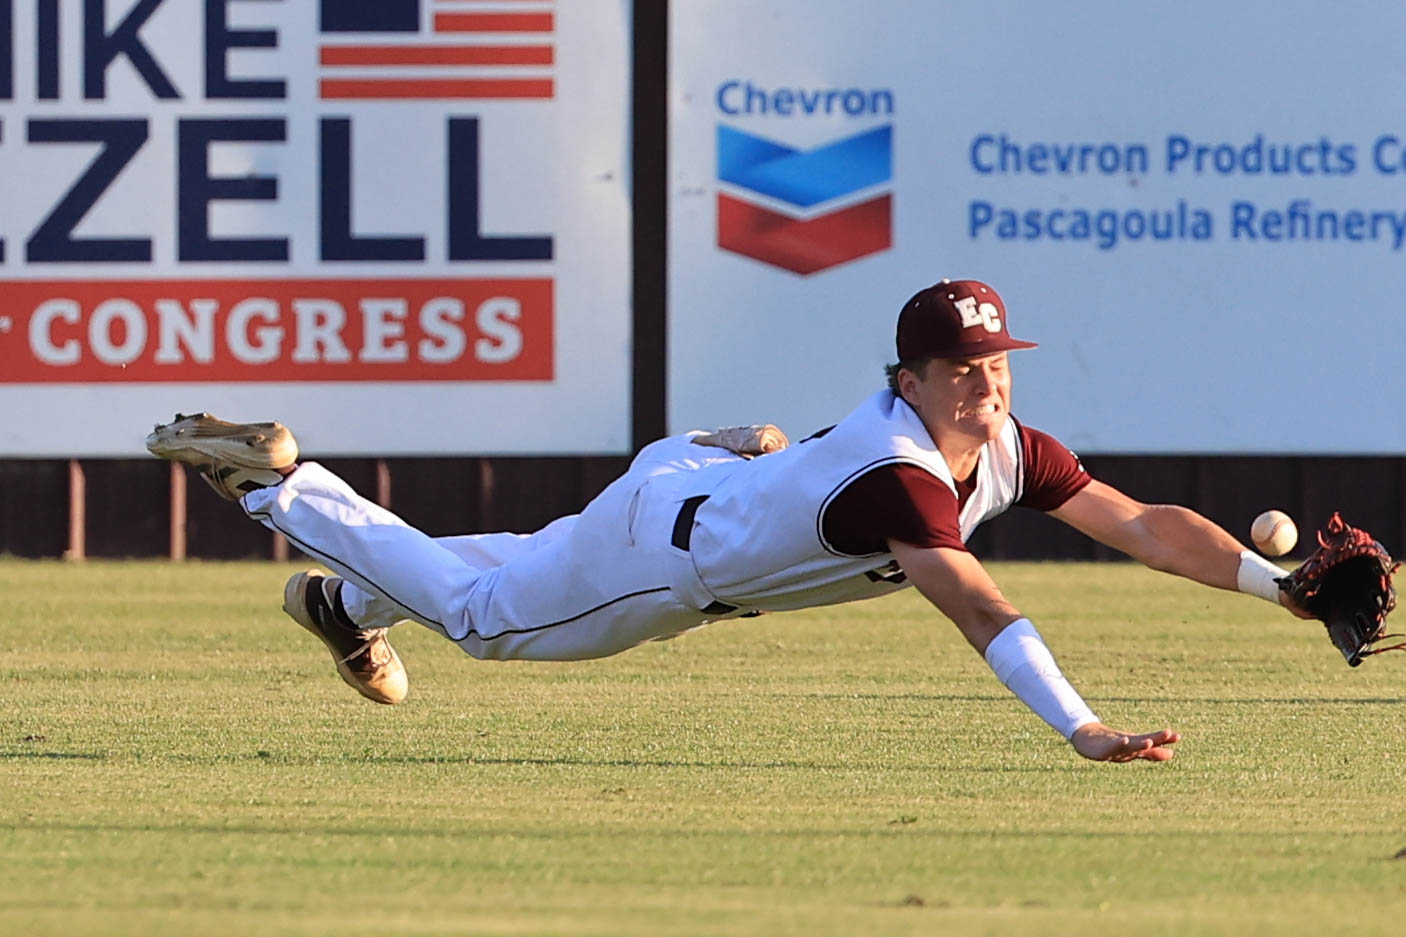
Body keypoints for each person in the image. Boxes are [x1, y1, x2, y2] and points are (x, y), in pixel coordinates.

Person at [146, 278, 1310, 764]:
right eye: (958, 367)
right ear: (906, 378)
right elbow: (977, 603)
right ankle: (277, 489)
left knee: (517, 564)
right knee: (492, 618)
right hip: (666, 559)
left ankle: (345, 601)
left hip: (704, 473)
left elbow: (1147, 524)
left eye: (993, 361)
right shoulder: (902, 478)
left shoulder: (1009, 447)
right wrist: (1079, 726)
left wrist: (1283, 590)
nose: (985, 383)